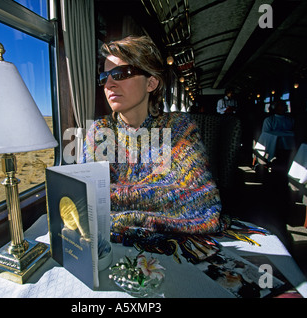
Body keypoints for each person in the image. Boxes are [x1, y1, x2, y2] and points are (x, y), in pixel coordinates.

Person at [81, 35, 226, 247]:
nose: (109, 84)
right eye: (104, 77)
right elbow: (87, 202)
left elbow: (202, 202)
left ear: (151, 82)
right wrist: (164, 196)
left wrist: (116, 202)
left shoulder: (179, 129)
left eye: (121, 73)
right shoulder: (99, 132)